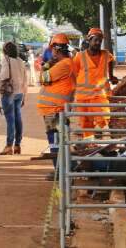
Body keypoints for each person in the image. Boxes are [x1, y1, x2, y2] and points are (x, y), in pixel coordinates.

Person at [37, 33, 75, 179]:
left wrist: (46, 65)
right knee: (56, 143)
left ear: (56, 49)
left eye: (52, 49)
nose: (51, 52)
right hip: (54, 110)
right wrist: (49, 64)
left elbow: (43, 78)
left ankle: (61, 172)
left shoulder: (64, 65)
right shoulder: (63, 64)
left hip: (55, 110)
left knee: (56, 143)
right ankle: (61, 171)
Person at [72, 28, 119, 139]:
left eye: (100, 41)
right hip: (83, 98)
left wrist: (111, 75)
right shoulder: (79, 56)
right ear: (89, 40)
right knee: (86, 124)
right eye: (96, 40)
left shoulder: (106, 54)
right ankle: (90, 147)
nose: (98, 43)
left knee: (103, 120)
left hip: (100, 96)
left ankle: (104, 147)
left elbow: (111, 60)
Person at [0, 42, 28, 155]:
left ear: (5, 51)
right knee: (18, 119)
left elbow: (4, 76)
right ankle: (17, 145)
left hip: (9, 93)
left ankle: (8, 146)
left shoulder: (6, 60)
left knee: (10, 120)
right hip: (19, 92)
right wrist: (24, 95)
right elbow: (25, 79)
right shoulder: (20, 61)